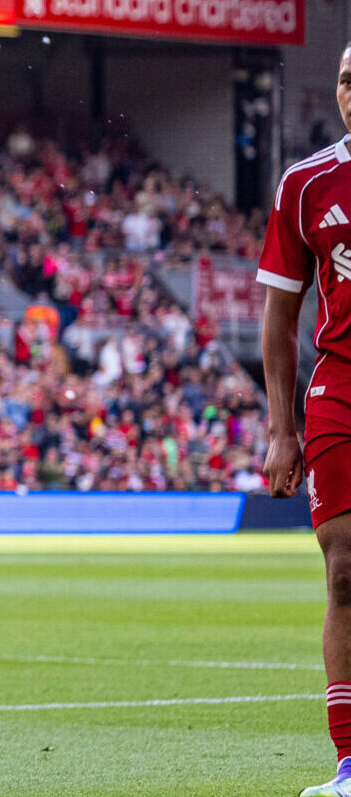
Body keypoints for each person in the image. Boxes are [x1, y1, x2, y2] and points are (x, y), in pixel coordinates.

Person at [258, 43, 351, 797]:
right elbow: (281, 312)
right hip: (340, 387)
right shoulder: (306, 183)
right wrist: (281, 428)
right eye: (348, 80)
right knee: (345, 567)